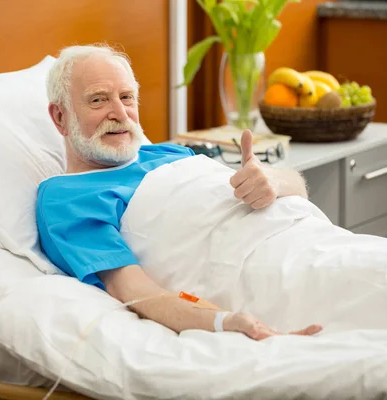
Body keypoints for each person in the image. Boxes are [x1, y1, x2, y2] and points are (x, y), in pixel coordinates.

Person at [36, 44, 323, 341]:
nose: (120, 113)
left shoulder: (170, 152)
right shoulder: (66, 197)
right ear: (60, 117)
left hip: (310, 239)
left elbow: (298, 188)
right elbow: (135, 291)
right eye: (98, 100)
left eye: (127, 98)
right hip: (270, 273)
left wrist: (273, 181)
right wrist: (226, 322)